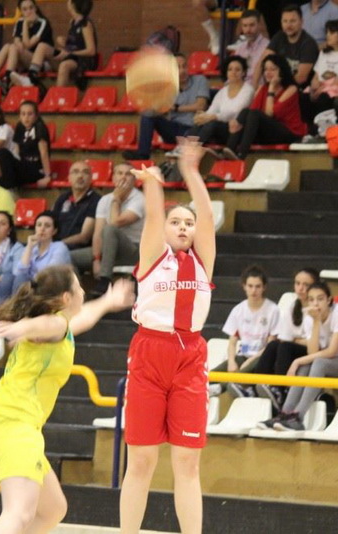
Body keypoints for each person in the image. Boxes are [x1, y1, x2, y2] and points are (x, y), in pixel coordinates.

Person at [0, 266, 133, 534]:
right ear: (66, 298)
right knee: (19, 513)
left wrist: (108, 302)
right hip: (12, 423)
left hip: (11, 422)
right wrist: (22, 326)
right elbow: (46, 325)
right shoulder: (55, 324)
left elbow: (82, 319)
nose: (83, 291)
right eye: (79, 287)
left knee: (52, 509)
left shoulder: (62, 329)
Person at [119, 138, 215, 534]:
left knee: (188, 463)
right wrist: (153, 184)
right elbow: (154, 219)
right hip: (149, 353)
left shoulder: (203, 260)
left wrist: (191, 171)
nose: (183, 227)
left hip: (190, 357)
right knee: (141, 461)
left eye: (188, 223)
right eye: (176, 222)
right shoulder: (153, 256)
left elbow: (206, 215)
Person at [258, 282, 338, 431]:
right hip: (337, 362)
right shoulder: (310, 318)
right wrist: (316, 323)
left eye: (320, 299)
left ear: (329, 300)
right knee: (307, 365)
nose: (315, 304)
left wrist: (296, 361)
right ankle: (284, 413)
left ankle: (298, 417)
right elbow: (312, 352)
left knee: (319, 363)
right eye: (311, 299)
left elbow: (331, 351)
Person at [251, 267, 320, 410]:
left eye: (305, 285)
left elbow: (315, 342)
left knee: (285, 346)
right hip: (296, 348)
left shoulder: (318, 307)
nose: (300, 288)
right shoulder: (292, 307)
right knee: (274, 345)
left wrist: (295, 340)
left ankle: (280, 390)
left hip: (316, 352)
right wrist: (297, 340)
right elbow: (284, 337)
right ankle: (257, 385)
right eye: (297, 283)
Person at [72, 163, 145, 296]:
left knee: (110, 229)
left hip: (133, 250)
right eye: (120, 173)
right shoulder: (104, 200)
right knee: (70, 256)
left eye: (128, 174)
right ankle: (77, 294)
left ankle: (105, 280)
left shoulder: (140, 199)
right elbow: (98, 233)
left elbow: (115, 222)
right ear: (113, 178)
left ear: (134, 180)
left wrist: (116, 199)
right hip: (107, 250)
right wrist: (96, 259)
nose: (123, 177)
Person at [122, 53, 210, 161]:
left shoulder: (200, 80)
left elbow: (201, 105)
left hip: (193, 129)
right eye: (177, 68)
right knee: (147, 115)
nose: (182, 71)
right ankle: (143, 155)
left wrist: (176, 108)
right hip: (173, 129)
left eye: (184, 66)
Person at [224, 54, 306, 160]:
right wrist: (237, 122)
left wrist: (271, 88)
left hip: (288, 132)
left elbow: (270, 114)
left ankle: (241, 155)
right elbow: (251, 112)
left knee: (254, 114)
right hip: (269, 131)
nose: (268, 72)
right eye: (266, 69)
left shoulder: (291, 89)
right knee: (245, 112)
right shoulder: (262, 88)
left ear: (282, 71)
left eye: (273, 69)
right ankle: (229, 150)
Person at [220, 265, 280, 398]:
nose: (254, 291)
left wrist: (251, 360)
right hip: (243, 355)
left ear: (264, 287)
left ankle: (221, 387)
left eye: (258, 286)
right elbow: (232, 342)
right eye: (250, 286)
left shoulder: (273, 310)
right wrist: (231, 361)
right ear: (244, 286)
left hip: (261, 357)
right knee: (211, 374)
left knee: (239, 375)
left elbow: (271, 345)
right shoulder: (238, 310)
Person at [0, 0, 53, 92]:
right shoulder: (19, 22)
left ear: (35, 8)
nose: (29, 11)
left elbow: (28, 45)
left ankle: (7, 80)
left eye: (31, 8)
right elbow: (16, 42)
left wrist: (25, 24)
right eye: (25, 9)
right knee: (8, 46)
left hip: (40, 64)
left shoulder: (42, 22)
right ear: (21, 11)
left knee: (15, 47)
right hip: (24, 61)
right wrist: (20, 43)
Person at [25, 0, 97, 89]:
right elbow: (75, 43)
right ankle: (32, 77)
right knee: (42, 46)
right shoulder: (73, 22)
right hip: (69, 55)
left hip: (81, 60)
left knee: (64, 65)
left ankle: (58, 94)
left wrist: (71, 53)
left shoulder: (86, 24)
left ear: (73, 5)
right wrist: (65, 42)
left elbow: (91, 51)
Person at [187, 56, 254, 149]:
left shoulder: (248, 90)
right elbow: (211, 110)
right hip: (219, 127)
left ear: (243, 73)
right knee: (199, 123)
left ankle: (191, 149)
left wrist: (214, 117)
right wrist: (203, 117)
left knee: (212, 123)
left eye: (237, 70)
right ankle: (184, 149)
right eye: (230, 69)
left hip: (236, 130)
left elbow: (235, 112)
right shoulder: (222, 91)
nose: (233, 72)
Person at [255, 4, 319, 88]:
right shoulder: (279, 36)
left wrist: (278, 89)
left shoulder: (309, 44)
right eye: (285, 21)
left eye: (293, 21)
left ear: (301, 22)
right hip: (277, 87)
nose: (288, 25)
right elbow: (261, 62)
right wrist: (254, 88)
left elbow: (301, 78)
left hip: (297, 90)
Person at [0, 101, 52, 190]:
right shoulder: (20, 127)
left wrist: (47, 176)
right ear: (19, 116)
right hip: (23, 167)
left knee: (1, 183)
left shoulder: (40, 127)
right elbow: (17, 152)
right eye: (23, 114)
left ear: (36, 116)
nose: (26, 117)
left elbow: (44, 153)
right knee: (2, 153)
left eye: (30, 114)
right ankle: (9, 182)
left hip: (36, 170)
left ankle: (10, 183)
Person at [12, 210, 71, 292]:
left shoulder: (60, 247)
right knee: (13, 278)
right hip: (31, 287)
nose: (42, 229)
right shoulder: (32, 248)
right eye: (39, 225)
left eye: (47, 226)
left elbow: (50, 274)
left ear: (54, 231)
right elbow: (19, 272)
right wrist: (29, 247)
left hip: (50, 288)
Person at [52, 160, 101, 252]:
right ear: (69, 178)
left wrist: (58, 245)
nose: (80, 176)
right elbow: (51, 224)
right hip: (57, 246)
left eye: (85, 172)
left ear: (91, 178)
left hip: (79, 249)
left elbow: (84, 237)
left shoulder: (96, 200)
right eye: (75, 172)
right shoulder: (63, 198)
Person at [228, 9, 269, 84]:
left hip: (256, 88)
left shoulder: (267, 47)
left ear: (259, 25)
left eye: (252, 25)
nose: (248, 30)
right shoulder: (240, 48)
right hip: (238, 87)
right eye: (245, 26)